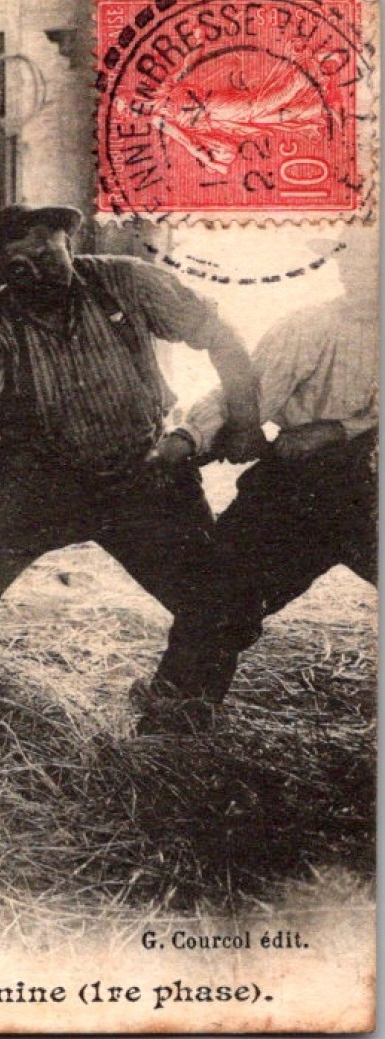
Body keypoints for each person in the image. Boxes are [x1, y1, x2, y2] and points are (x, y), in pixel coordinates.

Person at [0, 203, 263, 709]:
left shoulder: (128, 283)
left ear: (69, 241)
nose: (36, 270)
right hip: (33, 482)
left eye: (46, 253)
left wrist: (243, 420)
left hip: (142, 472)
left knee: (220, 605)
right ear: (3, 271)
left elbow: (220, 336)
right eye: (18, 264)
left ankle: (179, 709)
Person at [135, 231, 379, 733]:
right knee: (219, 592)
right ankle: (177, 717)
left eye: (374, 263)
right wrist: (190, 439)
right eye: (349, 263)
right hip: (306, 486)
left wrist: (339, 427)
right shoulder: (311, 326)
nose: (359, 276)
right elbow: (244, 393)